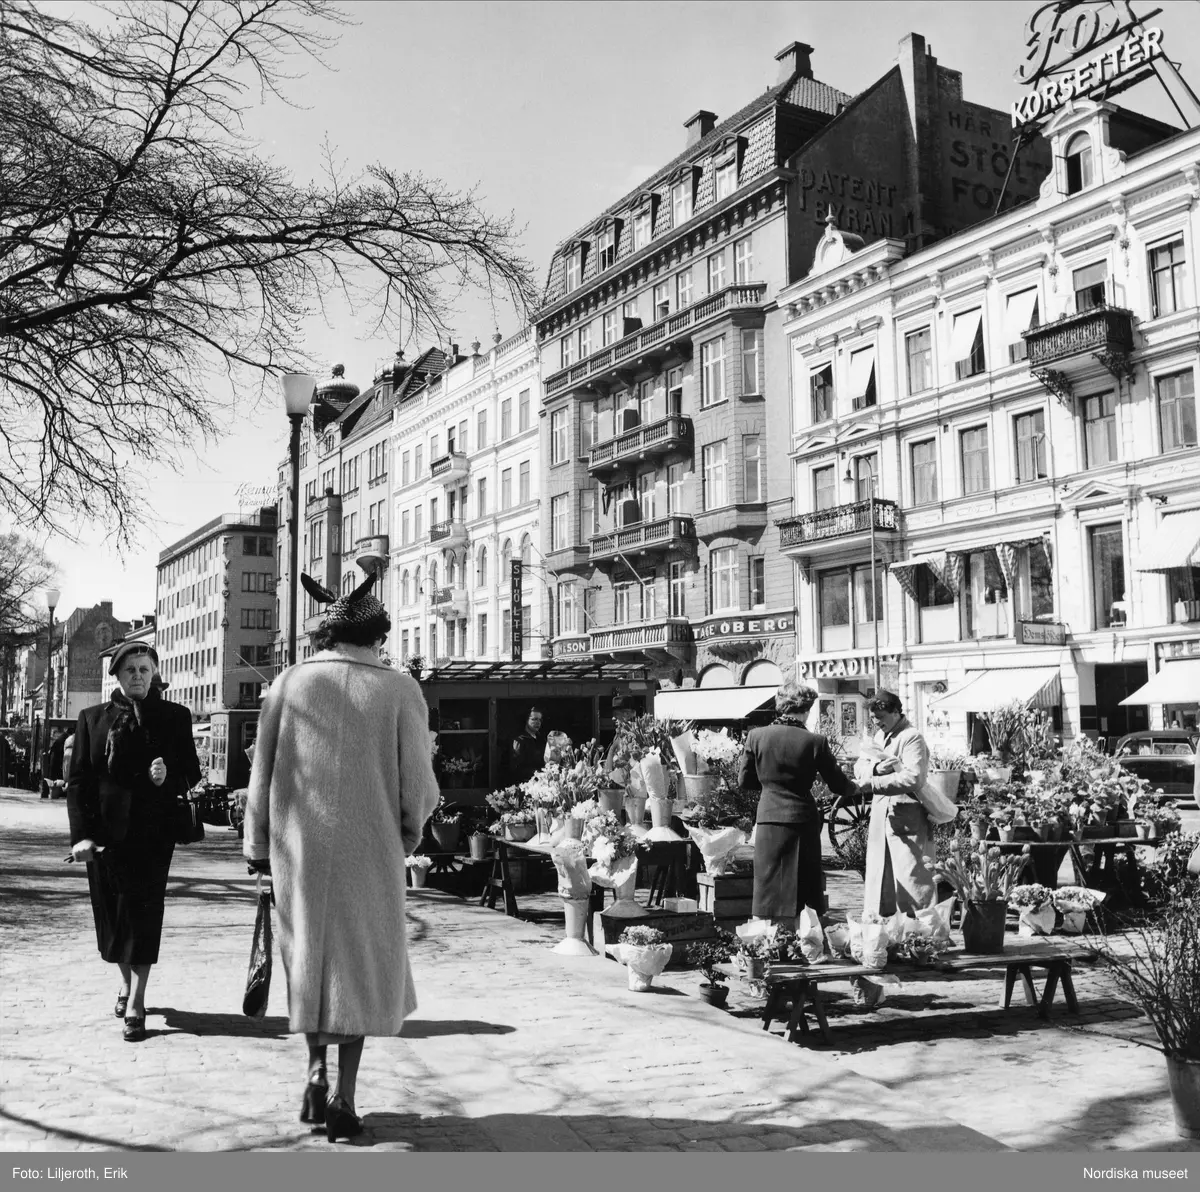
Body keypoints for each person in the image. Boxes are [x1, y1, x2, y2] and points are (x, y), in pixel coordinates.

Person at [244, 572, 440, 1143]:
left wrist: (259, 846)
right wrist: (405, 836)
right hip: (370, 851)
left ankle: (314, 1073)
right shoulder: (400, 690)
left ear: (325, 637)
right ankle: (344, 1098)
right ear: (377, 635)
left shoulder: (287, 683)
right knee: (357, 970)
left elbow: (261, 775)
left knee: (310, 963)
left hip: (297, 849)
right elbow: (420, 787)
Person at [66, 642, 201, 1043]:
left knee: (143, 914)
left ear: (155, 672)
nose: (138, 676)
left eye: (145, 669)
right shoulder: (92, 719)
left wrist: (168, 777)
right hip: (105, 836)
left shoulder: (174, 717)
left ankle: (138, 1000)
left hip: (153, 834)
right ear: (118, 677)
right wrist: (81, 836)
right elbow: (79, 783)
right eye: (131, 671)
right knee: (112, 916)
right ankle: (125, 982)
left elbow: (191, 772)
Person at [739, 679, 857, 929]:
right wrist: (861, 785)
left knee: (768, 880)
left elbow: (745, 781)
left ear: (780, 706)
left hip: (769, 816)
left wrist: (771, 786)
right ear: (806, 709)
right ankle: (803, 936)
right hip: (803, 818)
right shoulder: (815, 742)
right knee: (804, 879)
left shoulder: (756, 736)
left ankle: (764, 938)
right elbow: (839, 785)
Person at [856, 689, 936, 917]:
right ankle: (889, 931)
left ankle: (921, 933)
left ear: (896, 712)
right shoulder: (880, 736)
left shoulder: (911, 737)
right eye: (873, 718)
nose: (876, 722)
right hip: (883, 815)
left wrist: (872, 783)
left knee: (911, 876)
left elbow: (914, 778)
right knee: (882, 876)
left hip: (906, 816)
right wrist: (874, 769)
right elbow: (859, 766)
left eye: (880, 717)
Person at [508, 705, 546, 785]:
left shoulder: (542, 739)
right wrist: (537, 773)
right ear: (526, 720)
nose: (538, 722)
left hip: (542, 782)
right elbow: (516, 768)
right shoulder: (520, 741)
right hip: (527, 784)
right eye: (534, 719)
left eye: (540, 720)